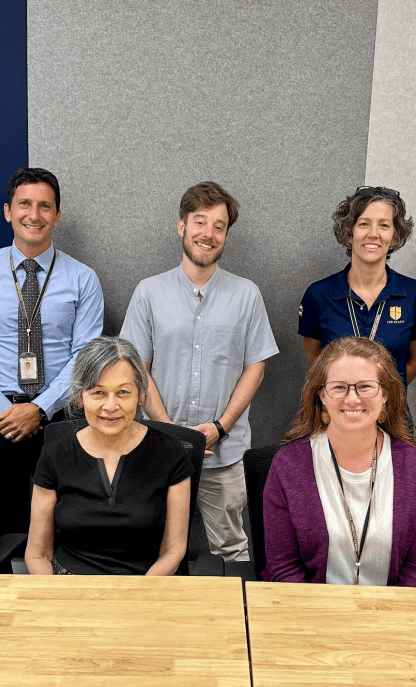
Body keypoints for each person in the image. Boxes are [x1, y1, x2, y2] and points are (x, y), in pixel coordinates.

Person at [120, 181, 278, 563]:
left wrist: (221, 427)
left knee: (232, 549)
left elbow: (255, 367)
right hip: (157, 447)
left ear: (226, 236)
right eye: (200, 222)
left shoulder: (247, 294)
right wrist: (170, 431)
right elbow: (137, 368)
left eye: (219, 226)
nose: (208, 233)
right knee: (148, 546)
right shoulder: (148, 292)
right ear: (182, 226)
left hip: (224, 452)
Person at [0, 167, 104, 546]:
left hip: (59, 417)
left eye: (44, 206)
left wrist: (39, 409)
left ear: (57, 215)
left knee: (62, 519)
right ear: (8, 211)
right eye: (24, 204)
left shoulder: (83, 278)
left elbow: (85, 356)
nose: (34, 215)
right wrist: (3, 410)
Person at [263, 336, 416, 586]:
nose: (352, 399)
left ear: (385, 394)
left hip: (392, 607)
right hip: (307, 606)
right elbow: (284, 568)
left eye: (365, 386)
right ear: (322, 395)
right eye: (339, 387)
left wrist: (384, 610)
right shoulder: (289, 465)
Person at [25, 337, 193, 575]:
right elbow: (38, 553)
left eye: (123, 392)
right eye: (98, 392)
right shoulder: (54, 455)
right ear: (80, 397)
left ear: (140, 395)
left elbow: (173, 550)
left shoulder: (171, 452)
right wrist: (55, 594)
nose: (111, 406)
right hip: (69, 583)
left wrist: (139, 592)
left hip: (146, 582)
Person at [299, 186, 416, 384]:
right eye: (363, 224)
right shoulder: (318, 294)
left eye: (384, 225)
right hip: (336, 403)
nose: (373, 234)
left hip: (391, 404)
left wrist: (384, 393)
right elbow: (315, 362)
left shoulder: (415, 294)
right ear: (349, 233)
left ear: (395, 237)